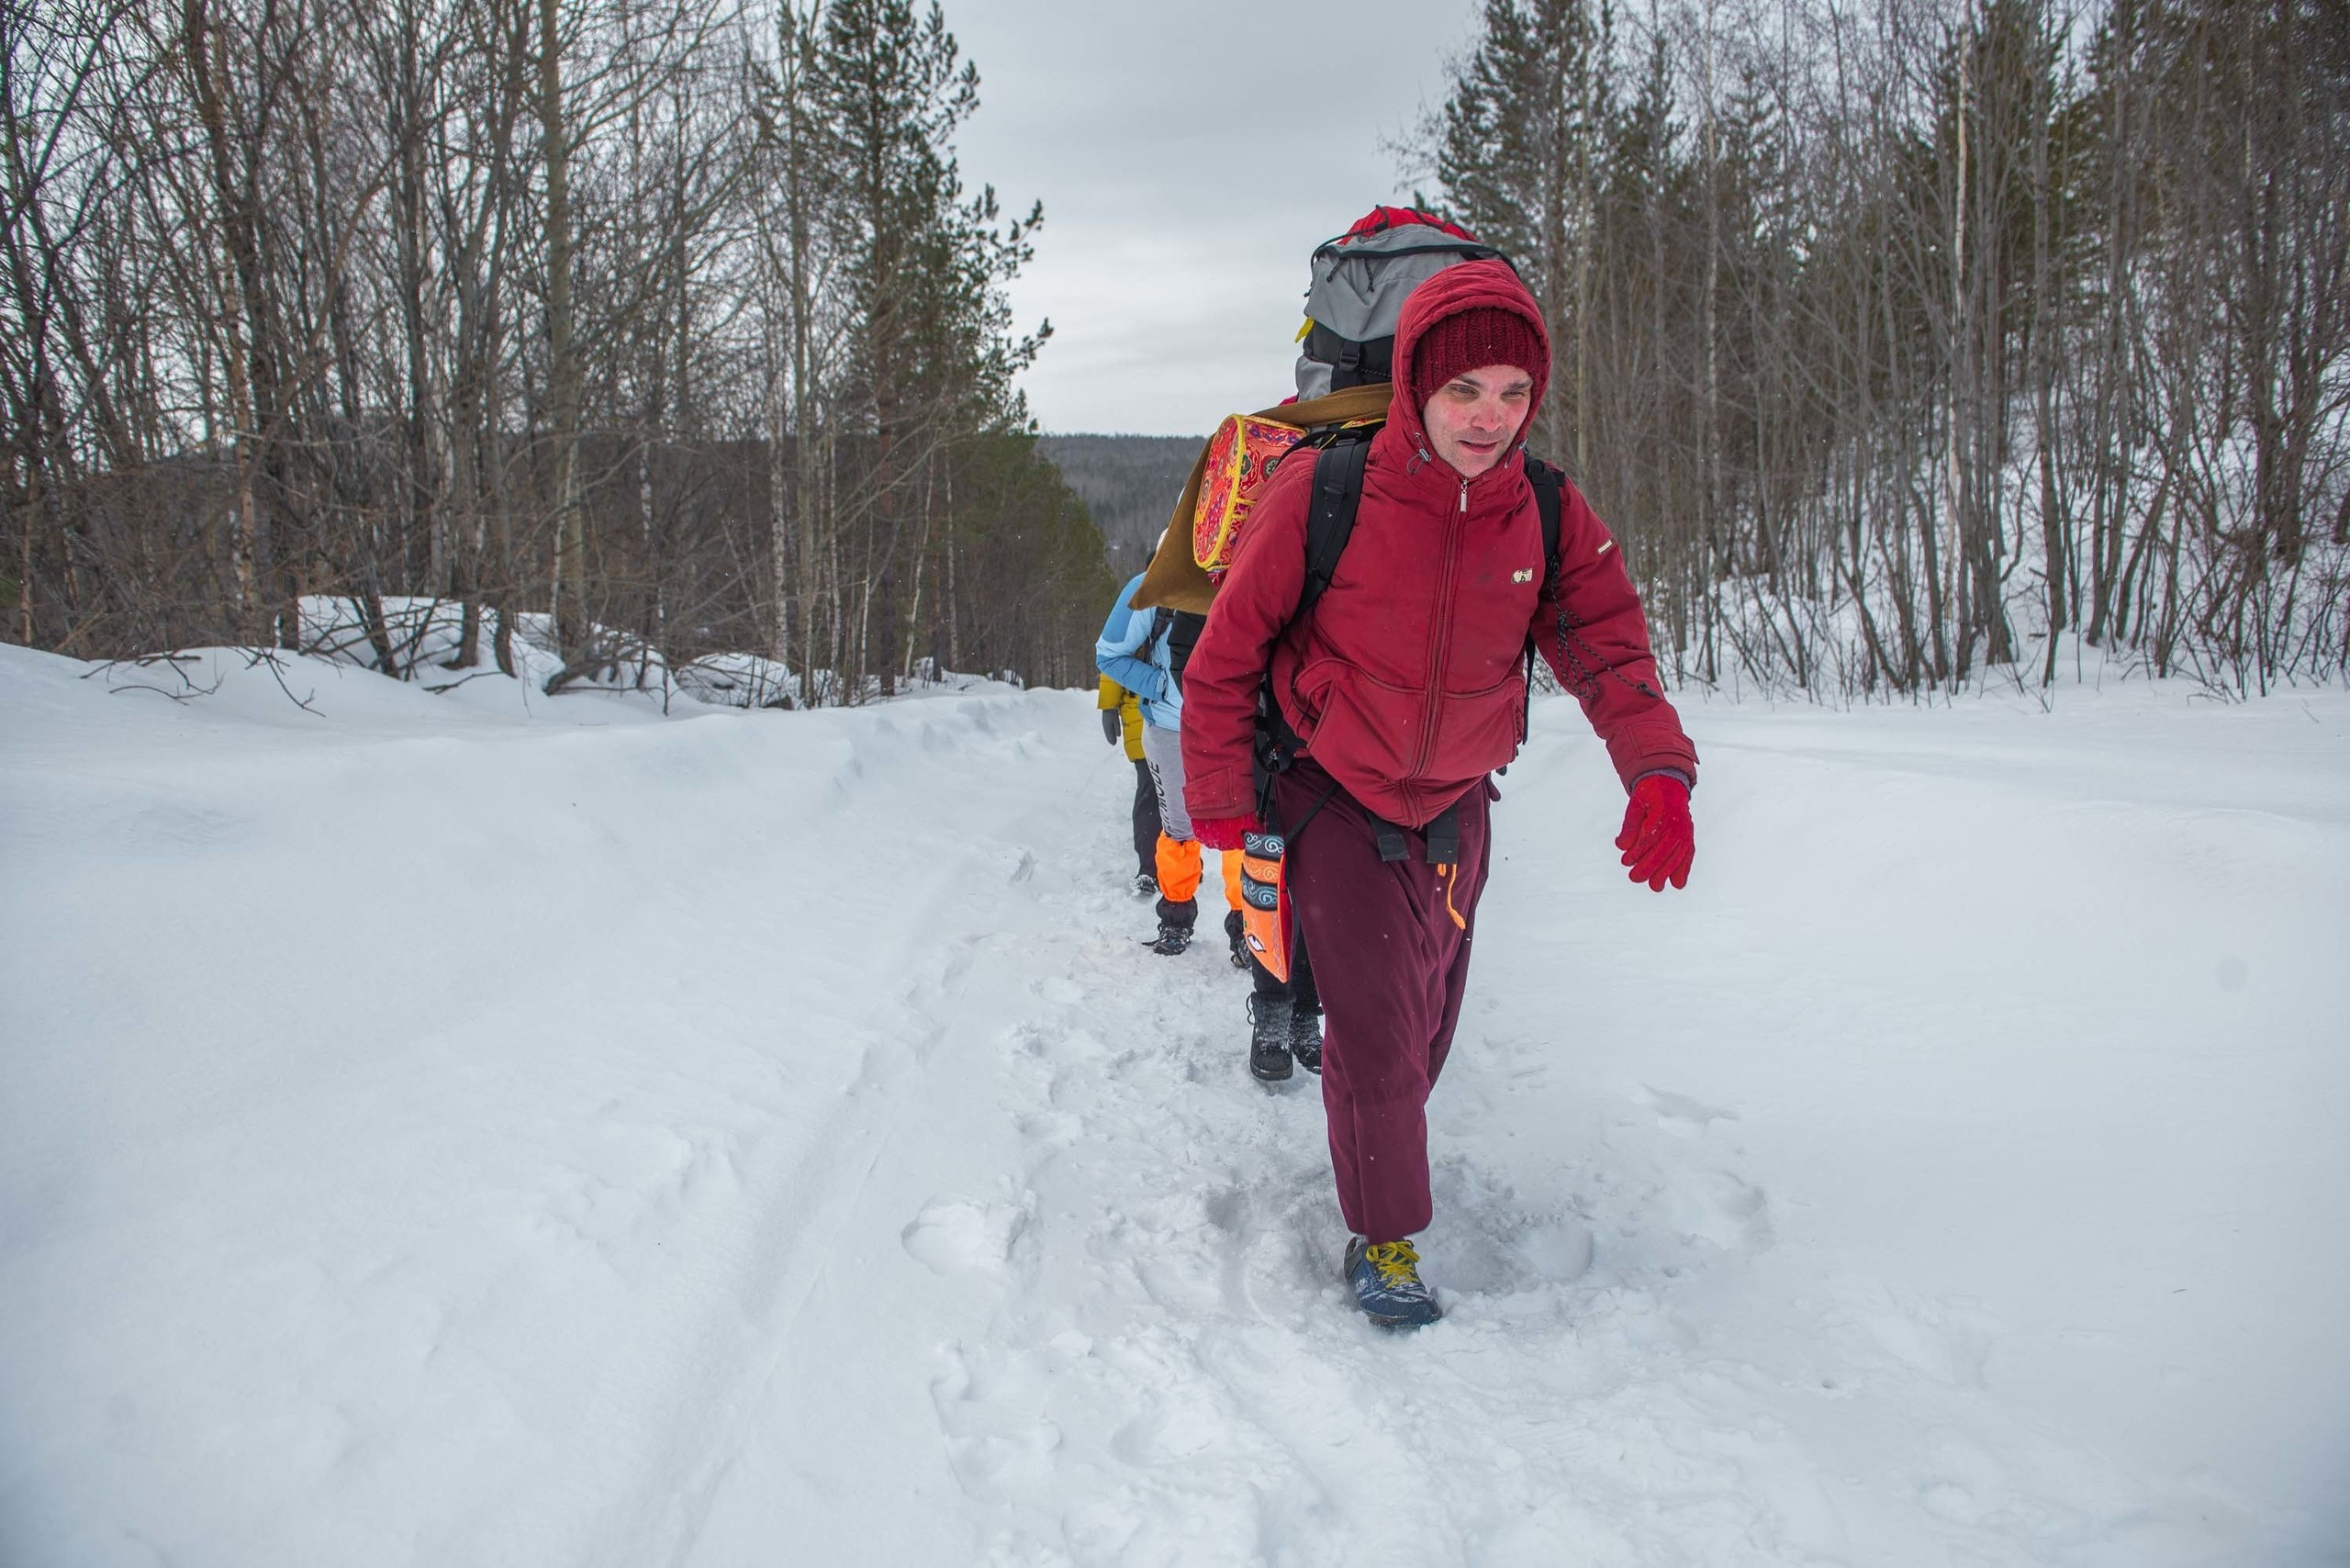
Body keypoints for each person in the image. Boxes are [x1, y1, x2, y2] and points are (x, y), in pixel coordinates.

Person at [1180, 258, 1699, 1328]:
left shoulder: (1546, 513)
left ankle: (1378, 1136)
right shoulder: (1323, 494)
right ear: (1415, 384)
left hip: (1457, 803)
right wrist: (1224, 802)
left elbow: (1607, 648)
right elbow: (1224, 656)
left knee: (1422, 1032)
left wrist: (1657, 772)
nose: (1489, 418)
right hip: (1334, 789)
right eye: (1465, 391)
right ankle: (1385, 1240)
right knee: (1374, 1031)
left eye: (1514, 393)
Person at [1092, 569, 1247, 957]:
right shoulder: (1159, 582)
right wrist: (1161, 686)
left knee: (1243, 832)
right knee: (1178, 830)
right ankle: (1176, 919)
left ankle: (1248, 928)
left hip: (1236, 727)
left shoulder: (1252, 564)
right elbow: (1108, 654)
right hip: (1170, 728)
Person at [1096, 669, 1158, 895]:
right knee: (1151, 796)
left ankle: (1182, 865)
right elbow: (1113, 652)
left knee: (1180, 798)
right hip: (1141, 711)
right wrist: (1109, 705)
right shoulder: (1135, 633)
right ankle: (1149, 868)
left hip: (1179, 708)